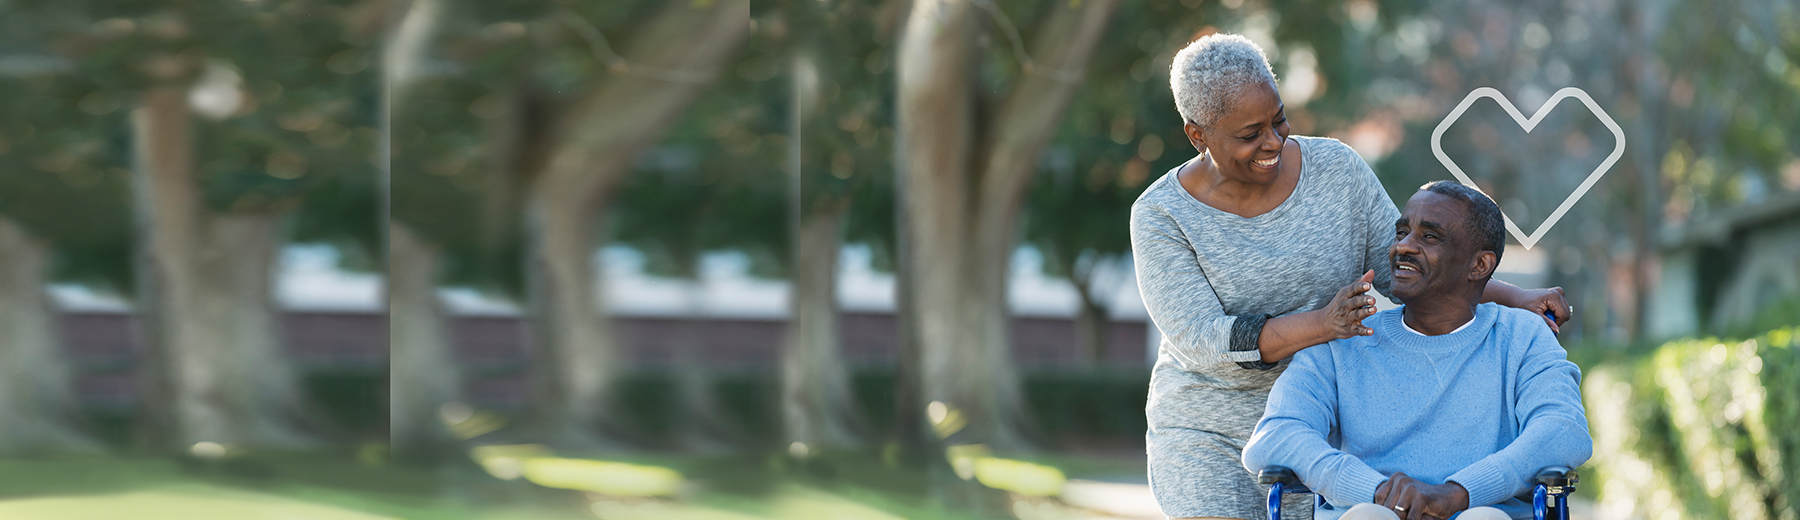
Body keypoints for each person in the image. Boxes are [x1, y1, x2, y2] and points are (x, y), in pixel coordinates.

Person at [1135, 33, 1575, 520]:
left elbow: (1406, 266)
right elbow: (1202, 338)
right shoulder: (1161, 215)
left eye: (1279, 119)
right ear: (1198, 135)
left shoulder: (1336, 170)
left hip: (1335, 422)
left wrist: (1514, 296)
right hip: (1210, 429)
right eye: (1249, 134)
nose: (1273, 141)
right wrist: (1324, 325)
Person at [1240, 181, 1593, 520]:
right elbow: (1276, 437)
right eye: (1401, 232)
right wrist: (1379, 493)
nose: (1402, 247)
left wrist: (1458, 493)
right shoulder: (1346, 340)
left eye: (1429, 236)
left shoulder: (1523, 337)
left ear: (1479, 265)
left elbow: (1564, 430)